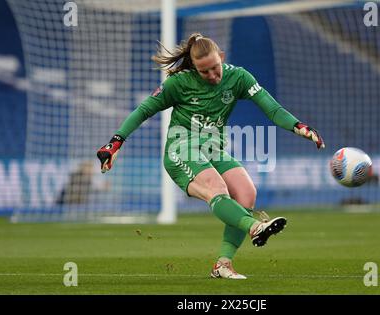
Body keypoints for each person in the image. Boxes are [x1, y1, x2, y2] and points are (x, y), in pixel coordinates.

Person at [97, 33, 325, 280]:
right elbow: (143, 111)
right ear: (194, 68)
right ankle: (255, 227)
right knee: (216, 189)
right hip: (181, 150)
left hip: (214, 150)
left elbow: (271, 108)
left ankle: (223, 265)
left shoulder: (238, 77)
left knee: (247, 193)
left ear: (222, 58)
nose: (213, 76)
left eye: (215, 68)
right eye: (204, 72)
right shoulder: (178, 83)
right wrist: (115, 142)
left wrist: (298, 126)